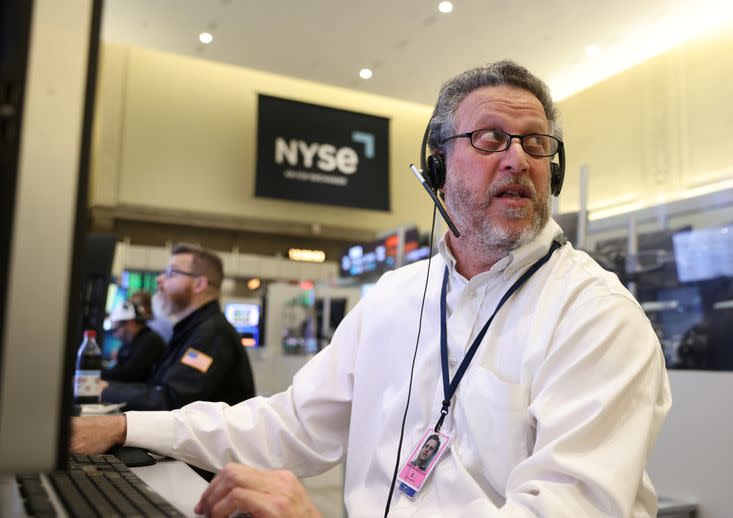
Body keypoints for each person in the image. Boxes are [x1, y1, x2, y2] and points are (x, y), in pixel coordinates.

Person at [72, 60, 671, 517]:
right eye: (490, 138)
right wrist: (127, 427)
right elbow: (292, 425)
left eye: (536, 142)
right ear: (436, 166)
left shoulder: (597, 316)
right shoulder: (395, 296)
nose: (518, 158)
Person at [98, 243, 255, 410]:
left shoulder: (212, 334)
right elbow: (158, 386)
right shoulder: (191, 330)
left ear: (199, 284)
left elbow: (173, 400)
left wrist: (106, 391)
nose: (160, 279)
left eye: (171, 273)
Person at [101, 291, 165, 383]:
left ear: (130, 323)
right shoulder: (132, 341)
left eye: (116, 329)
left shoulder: (150, 341)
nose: (115, 335)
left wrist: (97, 373)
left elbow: (128, 375)